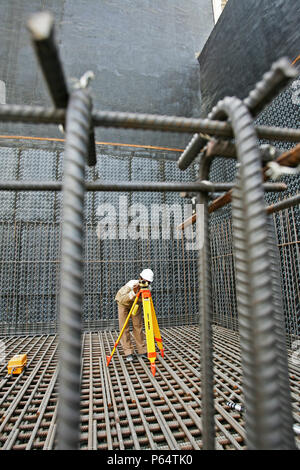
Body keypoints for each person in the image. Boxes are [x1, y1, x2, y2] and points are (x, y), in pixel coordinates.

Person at [115, 268, 154, 362]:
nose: (145, 284)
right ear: (140, 278)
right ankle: (128, 352)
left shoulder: (148, 289)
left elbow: (143, 302)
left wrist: (140, 295)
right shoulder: (131, 284)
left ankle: (142, 350)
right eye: (144, 281)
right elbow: (122, 299)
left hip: (135, 305)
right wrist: (134, 292)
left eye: (148, 282)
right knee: (124, 327)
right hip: (123, 304)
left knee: (138, 326)